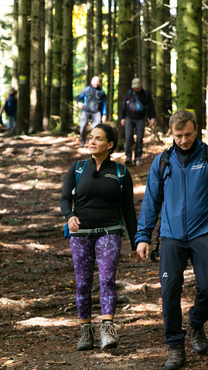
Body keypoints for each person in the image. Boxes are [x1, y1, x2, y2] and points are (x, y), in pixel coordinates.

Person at [134, 109, 208, 370]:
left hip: (205, 233)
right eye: (178, 135)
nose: (183, 140)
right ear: (171, 133)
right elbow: (151, 202)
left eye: (188, 134)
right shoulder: (162, 162)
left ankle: (196, 323)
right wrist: (143, 237)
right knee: (169, 292)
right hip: (171, 237)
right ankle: (175, 347)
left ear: (197, 129)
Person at [60, 124, 137, 351]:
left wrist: (136, 241)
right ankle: (86, 330)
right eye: (91, 137)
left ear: (110, 145)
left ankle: (107, 329)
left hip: (110, 233)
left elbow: (128, 210)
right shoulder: (77, 168)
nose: (92, 142)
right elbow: (65, 199)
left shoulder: (121, 172)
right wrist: (69, 216)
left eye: (98, 139)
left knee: (106, 280)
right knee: (83, 283)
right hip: (80, 235)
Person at [120, 78, 156, 166]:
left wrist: (152, 118)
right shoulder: (129, 93)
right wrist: (122, 118)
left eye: (137, 87)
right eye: (134, 87)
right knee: (128, 137)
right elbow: (123, 105)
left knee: (139, 138)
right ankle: (128, 157)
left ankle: (138, 158)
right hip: (129, 118)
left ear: (140, 85)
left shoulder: (146, 94)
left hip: (140, 119)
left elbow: (151, 106)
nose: (135, 89)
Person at [75, 76, 108, 147]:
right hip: (86, 111)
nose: (96, 83)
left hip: (97, 112)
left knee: (96, 128)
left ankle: (94, 144)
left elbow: (104, 104)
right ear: (91, 82)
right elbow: (78, 97)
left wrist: (104, 114)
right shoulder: (86, 90)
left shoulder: (101, 92)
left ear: (99, 83)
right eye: (95, 81)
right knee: (82, 126)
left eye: (97, 82)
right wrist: (79, 103)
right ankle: (82, 142)